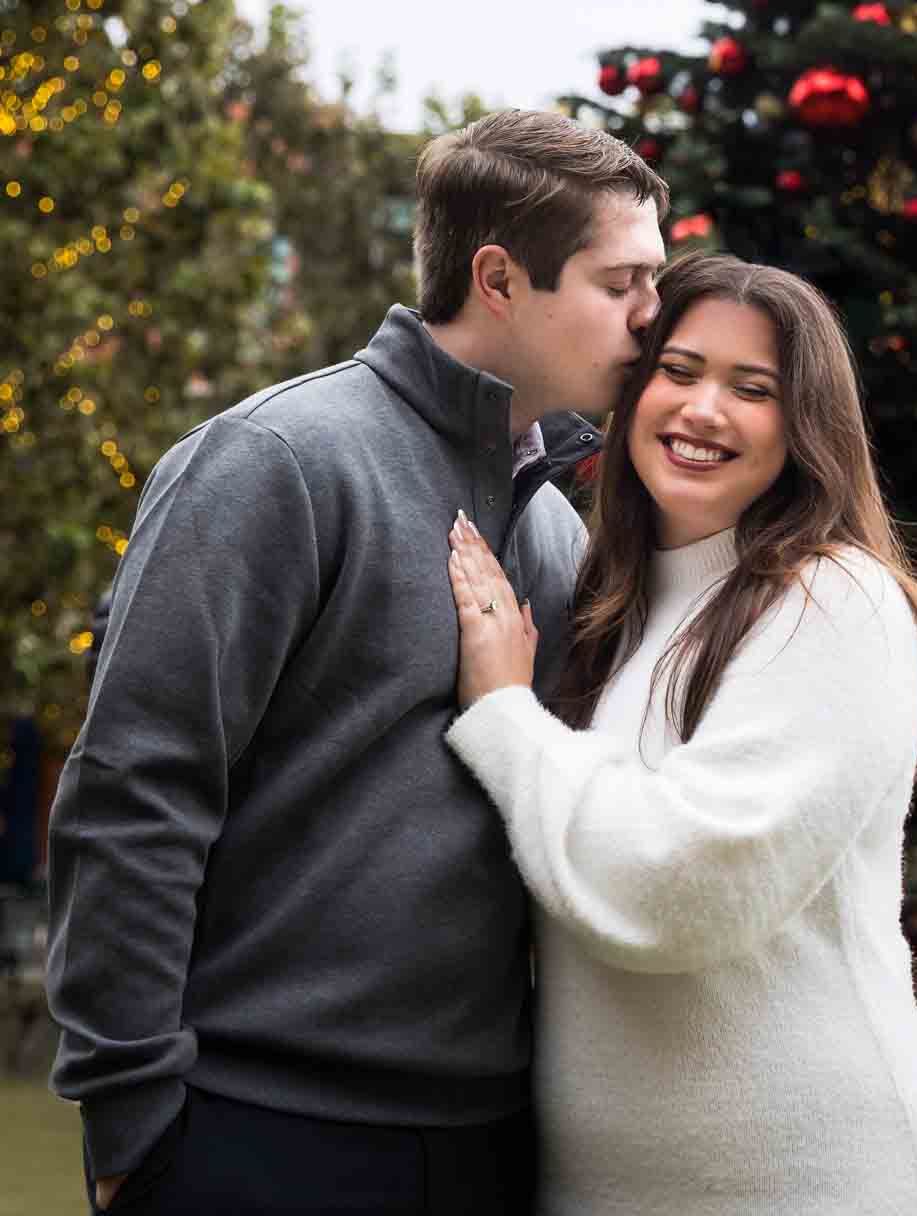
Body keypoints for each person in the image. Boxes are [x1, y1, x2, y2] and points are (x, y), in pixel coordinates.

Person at [45, 109, 668, 1216]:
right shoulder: (278, 461)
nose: (651, 318)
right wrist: (132, 1124)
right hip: (251, 1134)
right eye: (620, 281)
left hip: (485, 1144)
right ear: (499, 277)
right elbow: (134, 791)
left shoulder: (561, 534)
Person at [444, 251, 917, 1216]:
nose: (702, 411)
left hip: (818, 1181)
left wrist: (500, 714)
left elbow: (678, 887)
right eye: (679, 372)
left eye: (753, 388)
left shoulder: (832, 601)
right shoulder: (618, 613)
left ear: (805, 426)